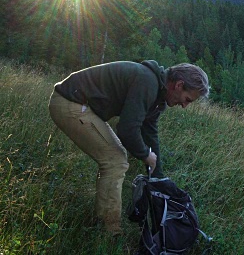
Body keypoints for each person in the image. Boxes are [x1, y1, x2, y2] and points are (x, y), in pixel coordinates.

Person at [48, 60, 209, 235]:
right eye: (187, 99)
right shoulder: (147, 82)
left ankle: (104, 222)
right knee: (115, 160)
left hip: (81, 105)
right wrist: (145, 155)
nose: (184, 106)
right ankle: (109, 230)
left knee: (116, 157)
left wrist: (158, 178)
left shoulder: (158, 97)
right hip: (69, 102)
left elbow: (150, 132)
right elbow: (127, 130)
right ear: (179, 85)